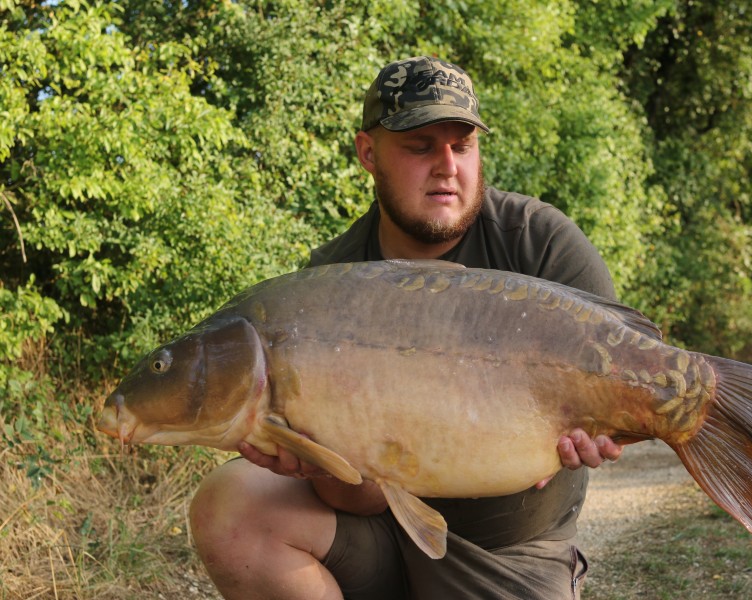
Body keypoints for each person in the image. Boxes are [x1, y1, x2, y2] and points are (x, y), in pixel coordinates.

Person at [189, 56, 624, 600]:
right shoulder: (328, 288)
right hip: (374, 534)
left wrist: (604, 427)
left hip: (505, 550)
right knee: (233, 501)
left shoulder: (541, 246)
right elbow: (362, 498)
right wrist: (314, 462)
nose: (447, 166)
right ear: (368, 153)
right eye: (421, 146)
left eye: (461, 146)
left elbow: (617, 396)